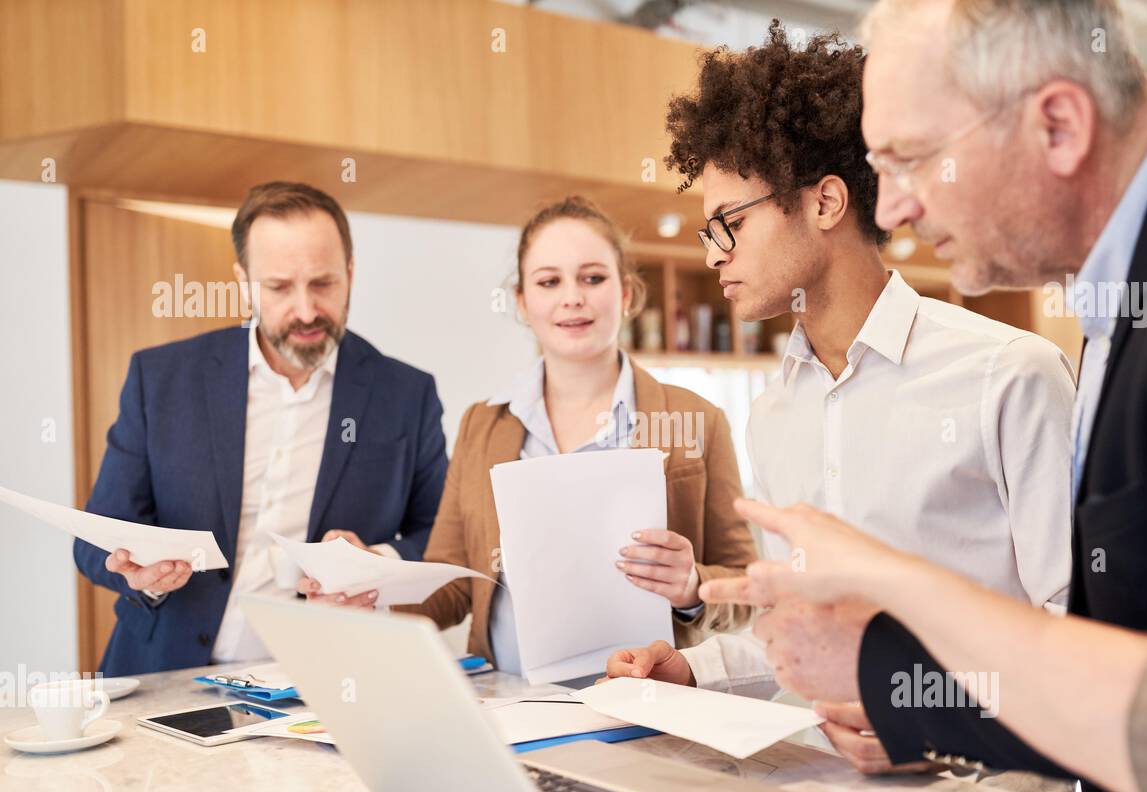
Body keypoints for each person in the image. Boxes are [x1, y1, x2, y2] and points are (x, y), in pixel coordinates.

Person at [703, 0, 1147, 792]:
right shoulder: (1132, 288)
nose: (897, 209)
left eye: (911, 160)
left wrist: (892, 668)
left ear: (1057, 126)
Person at [604, 21, 1075, 774]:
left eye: (728, 223)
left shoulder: (1009, 374)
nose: (716, 256)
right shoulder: (776, 411)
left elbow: (1077, 637)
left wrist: (923, 715)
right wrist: (695, 670)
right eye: (706, 233)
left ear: (825, 203)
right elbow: (796, 633)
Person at [75, 182, 449, 676]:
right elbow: (92, 540)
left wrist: (375, 560)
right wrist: (140, 573)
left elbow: (442, 539)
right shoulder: (161, 379)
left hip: (326, 687)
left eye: (324, 284)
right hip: (161, 676)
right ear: (243, 281)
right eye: (278, 288)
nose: (307, 310)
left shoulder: (407, 394)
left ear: (351, 273)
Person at [377, 196, 756, 674]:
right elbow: (452, 588)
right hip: (513, 709)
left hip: (649, 706)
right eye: (549, 281)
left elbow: (745, 586)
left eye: (593, 278)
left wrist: (692, 587)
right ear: (521, 301)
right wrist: (374, 593)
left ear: (627, 294)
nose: (571, 297)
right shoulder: (482, 424)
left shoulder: (696, 419)